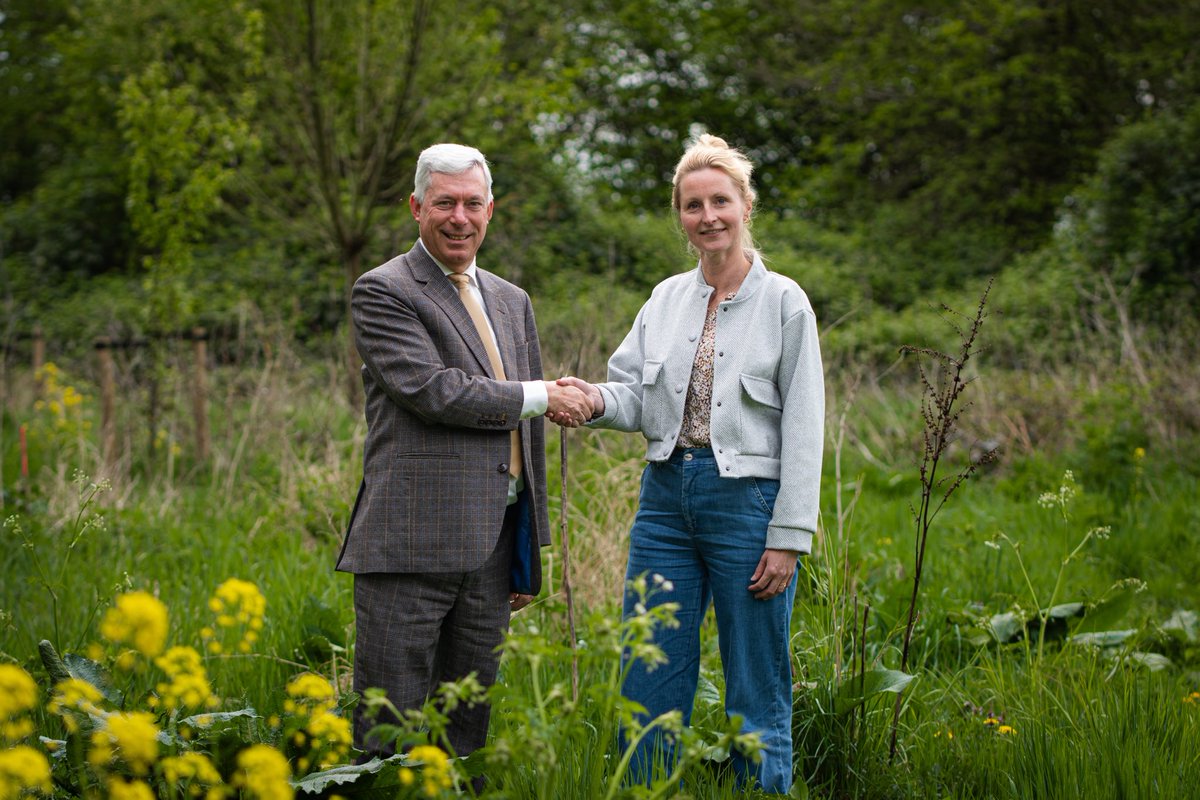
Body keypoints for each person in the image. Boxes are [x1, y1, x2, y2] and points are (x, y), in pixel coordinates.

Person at [559, 134, 824, 793]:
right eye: (692, 204)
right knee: (649, 667)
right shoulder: (667, 298)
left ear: (745, 205)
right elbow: (636, 398)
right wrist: (593, 399)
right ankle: (644, 789)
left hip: (747, 506)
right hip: (665, 502)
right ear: (679, 215)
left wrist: (788, 538)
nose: (708, 216)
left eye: (720, 201)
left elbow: (805, 426)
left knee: (754, 674)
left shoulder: (785, 302)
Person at [336, 143, 592, 762]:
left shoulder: (512, 299)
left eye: (472, 204)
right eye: (444, 203)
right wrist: (541, 394)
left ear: (491, 210)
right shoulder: (385, 290)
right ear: (417, 207)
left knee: (465, 729)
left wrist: (527, 550)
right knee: (387, 725)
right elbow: (434, 390)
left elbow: (525, 438)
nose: (459, 217)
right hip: (411, 544)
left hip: (492, 547)